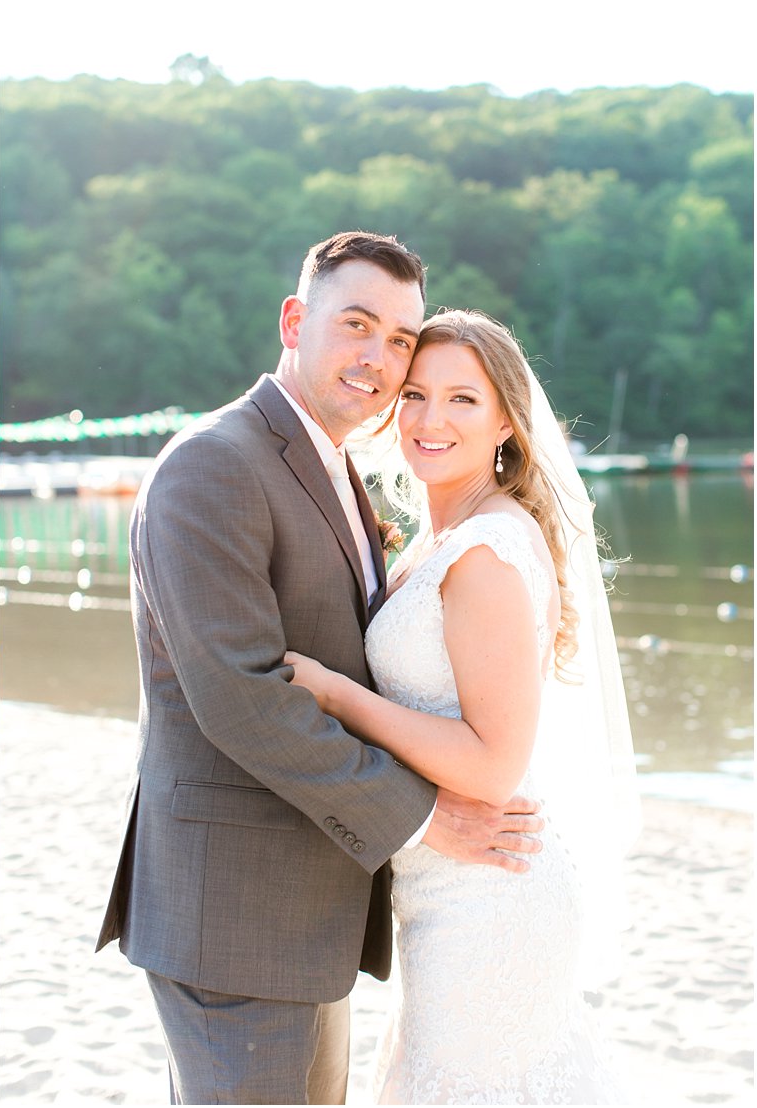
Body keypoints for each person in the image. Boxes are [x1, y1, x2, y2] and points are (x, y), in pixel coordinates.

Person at [95, 232, 546, 1104]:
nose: (378, 360)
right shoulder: (212, 465)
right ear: (296, 319)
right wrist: (422, 819)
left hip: (307, 902)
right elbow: (243, 699)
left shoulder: (332, 463)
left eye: (401, 341)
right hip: (235, 913)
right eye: (357, 325)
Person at [284, 309, 639, 1102]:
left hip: (491, 894)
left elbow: (494, 762)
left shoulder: (485, 552)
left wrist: (338, 695)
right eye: (414, 395)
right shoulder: (437, 540)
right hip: (442, 891)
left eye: (462, 400)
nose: (430, 419)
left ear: (508, 420)